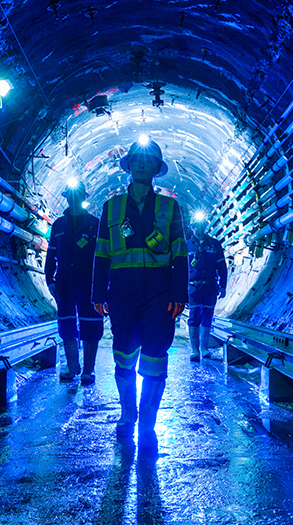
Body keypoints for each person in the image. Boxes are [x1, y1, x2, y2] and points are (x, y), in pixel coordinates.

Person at [92, 137, 188, 451]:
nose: (142, 163)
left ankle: (147, 421)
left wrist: (179, 293)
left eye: (148, 160)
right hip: (122, 291)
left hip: (160, 292)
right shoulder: (112, 207)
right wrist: (98, 291)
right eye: (137, 159)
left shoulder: (169, 207)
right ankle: (127, 413)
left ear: (157, 168)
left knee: (156, 354)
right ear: (129, 165)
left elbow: (179, 252)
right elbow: (102, 252)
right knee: (123, 352)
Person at [45, 180, 103, 386]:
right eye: (70, 195)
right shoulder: (58, 225)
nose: (73, 199)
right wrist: (49, 279)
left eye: (77, 195)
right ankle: (72, 366)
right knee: (67, 322)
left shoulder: (95, 224)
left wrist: (103, 285)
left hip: (89, 281)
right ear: (67, 198)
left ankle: (88, 370)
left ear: (83, 198)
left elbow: (104, 256)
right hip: (64, 281)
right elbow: (51, 255)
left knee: (92, 323)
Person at [187, 218, 227, 361]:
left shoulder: (215, 245)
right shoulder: (187, 246)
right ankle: (194, 350)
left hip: (210, 286)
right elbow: (182, 269)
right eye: (196, 227)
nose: (199, 229)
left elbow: (222, 267)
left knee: (208, 315)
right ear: (192, 228)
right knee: (194, 316)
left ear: (205, 227)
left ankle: (204, 348)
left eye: (201, 226)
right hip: (194, 287)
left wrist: (223, 286)